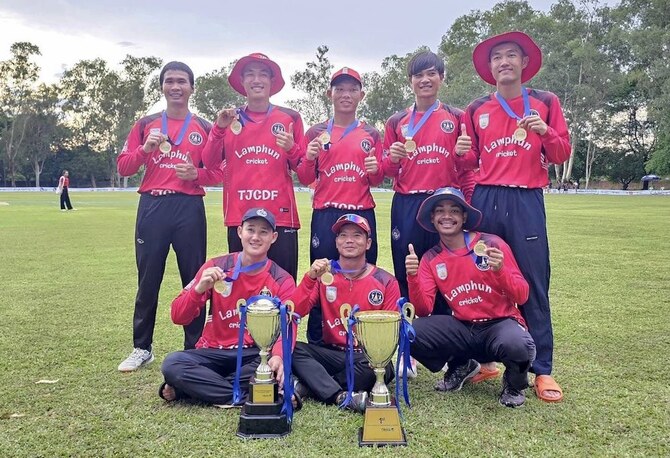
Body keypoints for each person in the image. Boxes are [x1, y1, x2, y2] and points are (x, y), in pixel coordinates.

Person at [456, 31, 571, 402]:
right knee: (485, 278)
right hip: (487, 198)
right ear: (489, 69)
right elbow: (469, 162)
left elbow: (561, 152)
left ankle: (543, 371)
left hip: (526, 200)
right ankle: (488, 360)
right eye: (496, 58)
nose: (503, 62)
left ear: (524, 63)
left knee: (534, 281)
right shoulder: (476, 109)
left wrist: (546, 130)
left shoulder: (545, 102)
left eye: (510, 56)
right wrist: (460, 152)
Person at [117, 61, 224, 372]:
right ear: (162, 87)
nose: (176, 87)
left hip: (189, 207)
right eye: (169, 81)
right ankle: (141, 347)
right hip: (152, 206)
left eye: (182, 81)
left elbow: (220, 171)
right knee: (148, 278)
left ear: (192, 88)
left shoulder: (204, 127)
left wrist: (198, 174)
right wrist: (144, 151)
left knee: (194, 278)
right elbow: (124, 167)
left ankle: (195, 347)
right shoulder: (146, 124)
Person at [406, 187, 535, 407]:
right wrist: (413, 278)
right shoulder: (431, 258)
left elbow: (522, 296)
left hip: (500, 324)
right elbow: (424, 310)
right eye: (440, 211)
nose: (447, 216)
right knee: (411, 332)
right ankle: (463, 365)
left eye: (454, 210)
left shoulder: (491, 244)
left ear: (464, 216)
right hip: (464, 327)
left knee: (519, 345)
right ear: (432, 217)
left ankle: (515, 383)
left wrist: (501, 270)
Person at [159, 208, 296, 405]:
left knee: (277, 364)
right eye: (251, 230)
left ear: (273, 237)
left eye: (263, 232)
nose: (256, 237)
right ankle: (250, 396)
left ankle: (192, 390)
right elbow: (178, 316)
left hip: (253, 354)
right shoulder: (215, 266)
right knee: (173, 364)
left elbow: (288, 325)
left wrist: (278, 357)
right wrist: (198, 290)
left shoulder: (282, 279)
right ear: (240, 232)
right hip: (213, 352)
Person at [296, 67, 383, 345]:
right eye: (340, 89)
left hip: (360, 211)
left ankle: (363, 340)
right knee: (322, 273)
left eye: (352, 89)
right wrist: (309, 158)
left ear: (362, 95)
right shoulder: (316, 132)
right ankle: (318, 341)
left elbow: (378, 178)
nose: (346, 94)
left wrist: (375, 168)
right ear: (329, 93)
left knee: (363, 274)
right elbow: (305, 177)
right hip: (326, 213)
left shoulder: (371, 133)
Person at [201, 53, 304, 281]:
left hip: (281, 218)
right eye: (250, 74)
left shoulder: (290, 117)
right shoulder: (229, 119)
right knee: (241, 288)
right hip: (241, 219)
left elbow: (304, 171)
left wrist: (292, 149)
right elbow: (209, 163)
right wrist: (218, 129)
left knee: (283, 289)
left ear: (272, 81)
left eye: (263, 74)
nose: (257, 79)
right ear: (242, 82)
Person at [381, 50, 472, 308]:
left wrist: (460, 154)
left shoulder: (457, 116)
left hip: (443, 203)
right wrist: (394, 159)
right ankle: (408, 334)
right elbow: (386, 170)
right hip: (407, 203)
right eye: (418, 75)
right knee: (406, 267)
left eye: (431, 73)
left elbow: (468, 164)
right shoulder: (396, 121)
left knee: (445, 267)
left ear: (441, 78)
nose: (425, 80)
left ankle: (443, 333)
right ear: (410, 80)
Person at [291, 214, 399, 413]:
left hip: (363, 357)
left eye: (357, 235)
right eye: (343, 235)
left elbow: (390, 334)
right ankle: (340, 396)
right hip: (331, 352)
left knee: (382, 368)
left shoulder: (386, 281)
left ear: (368, 243)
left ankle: (309, 386)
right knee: (293, 349)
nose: (349, 240)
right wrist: (309, 278)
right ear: (336, 242)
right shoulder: (324, 275)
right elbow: (296, 311)